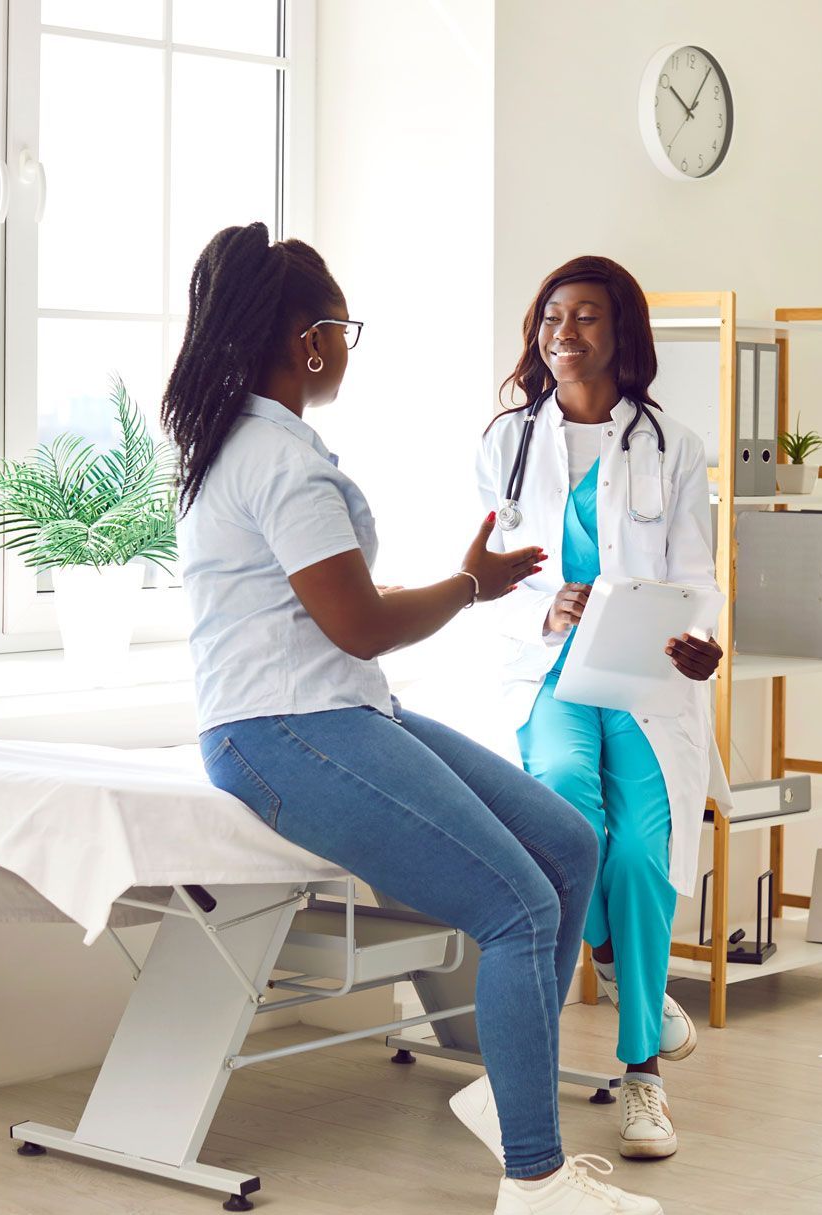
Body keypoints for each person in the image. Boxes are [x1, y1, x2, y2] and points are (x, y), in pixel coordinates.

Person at [168, 223, 664, 1215]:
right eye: (343, 328)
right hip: (284, 731)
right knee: (518, 906)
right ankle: (535, 1180)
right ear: (310, 340)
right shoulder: (279, 461)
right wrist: (471, 587)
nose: (348, 346)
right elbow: (356, 624)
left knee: (567, 843)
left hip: (335, 710)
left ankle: (505, 1089)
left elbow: (330, 604)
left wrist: (460, 585)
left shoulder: (259, 446)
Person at [473, 256, 729, 1161]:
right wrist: (540, 608)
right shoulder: (506, 441)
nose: (564, 332)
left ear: (623, 332)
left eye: (585, 315)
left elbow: (696, 576)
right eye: (552, 315)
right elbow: (484, 571)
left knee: (637, 848)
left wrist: (704, 641)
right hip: (545, 671)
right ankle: (631, 975)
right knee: (569, 812)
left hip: (643, 676)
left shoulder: (675, 442)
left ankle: (644, 1079)